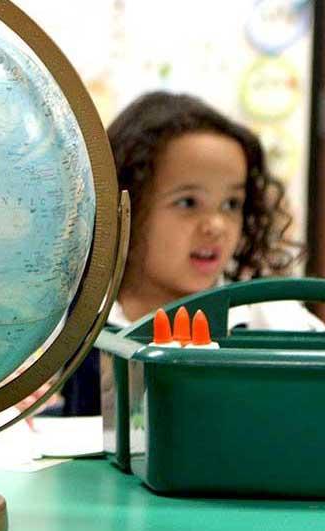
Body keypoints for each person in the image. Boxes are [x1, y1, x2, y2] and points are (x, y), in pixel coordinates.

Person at [57, 90, 324, 416]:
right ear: (126, 205)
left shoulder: (268, 319)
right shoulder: (64, 320)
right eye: (188, 202)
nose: (216, 225)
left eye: (231, 204)